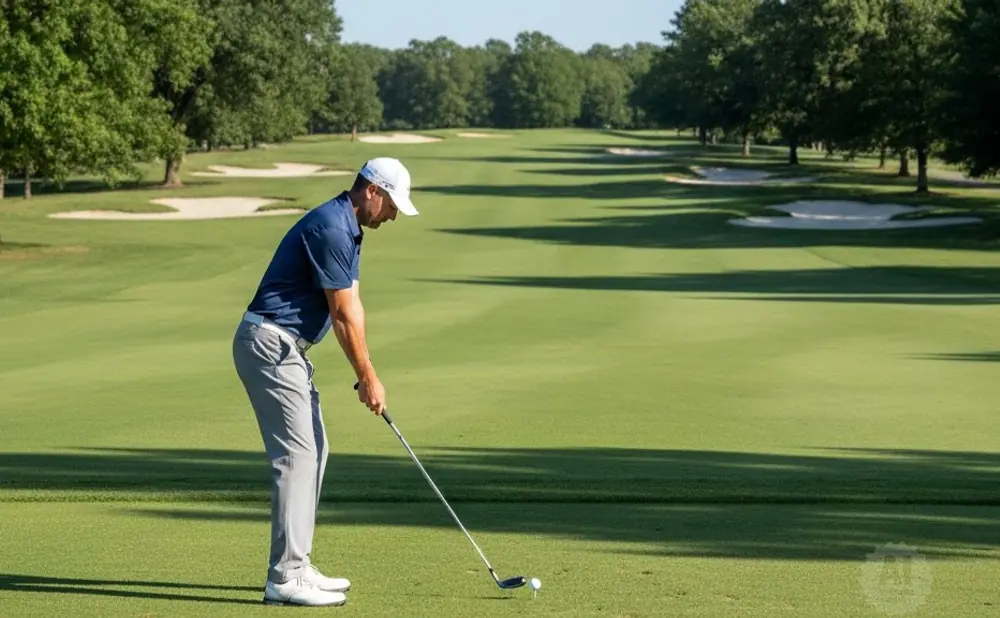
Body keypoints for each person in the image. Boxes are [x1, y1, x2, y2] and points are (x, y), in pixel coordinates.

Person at [231, 157, 419, 607]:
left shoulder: (348, 228)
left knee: (315, 449)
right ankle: (285, 577)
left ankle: (298, 562)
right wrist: (367, 376)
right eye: (391, 204)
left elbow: (352, 305)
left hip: (285, 348)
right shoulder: (332, 227)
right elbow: (340, 316)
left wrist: (366, 370)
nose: (393, 215)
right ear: (372, 191)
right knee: (296, 456)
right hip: (269, 345)